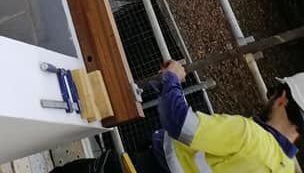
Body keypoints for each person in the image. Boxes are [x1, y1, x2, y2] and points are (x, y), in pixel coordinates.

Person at [53, 60, 304, 173]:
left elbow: (180, 123)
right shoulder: (283, 169)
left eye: (272, 94)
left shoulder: (249, 136)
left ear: (282, 98)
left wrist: (172, 78)